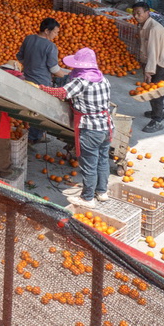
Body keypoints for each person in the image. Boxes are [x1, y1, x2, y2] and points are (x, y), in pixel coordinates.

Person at [60, 47, 114, 209]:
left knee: (89, 164)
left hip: (90, 129)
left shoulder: (81, 82)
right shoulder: (103, 79)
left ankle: (87, 198)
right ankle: (102, 192)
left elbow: (62, 93)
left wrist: (42, 88)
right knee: (102, 160)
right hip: (107, 126)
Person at [17, 17, 70, 143]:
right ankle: (34, 137)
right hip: (42, 84)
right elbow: (54, 69)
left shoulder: (29, 38)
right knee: (40, 111)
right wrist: (67, 75)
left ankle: (33, 134)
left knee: (32, 108)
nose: (56, 35)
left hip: (27, 79)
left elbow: (20, 57)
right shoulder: (50, 46)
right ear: (47, 31)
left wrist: (32, 65)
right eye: (55, 32)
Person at [132, 2, 164, 134]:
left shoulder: (154, 29)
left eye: (139, 13)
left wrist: (149, 71)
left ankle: (157, 121)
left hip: (162, 65)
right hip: (154, 63)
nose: (136, 16)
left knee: (156, 94)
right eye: (134, 13)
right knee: (152, 91)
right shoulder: (144, 25)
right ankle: (160, 111)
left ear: (147, 13)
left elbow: (153, 51)